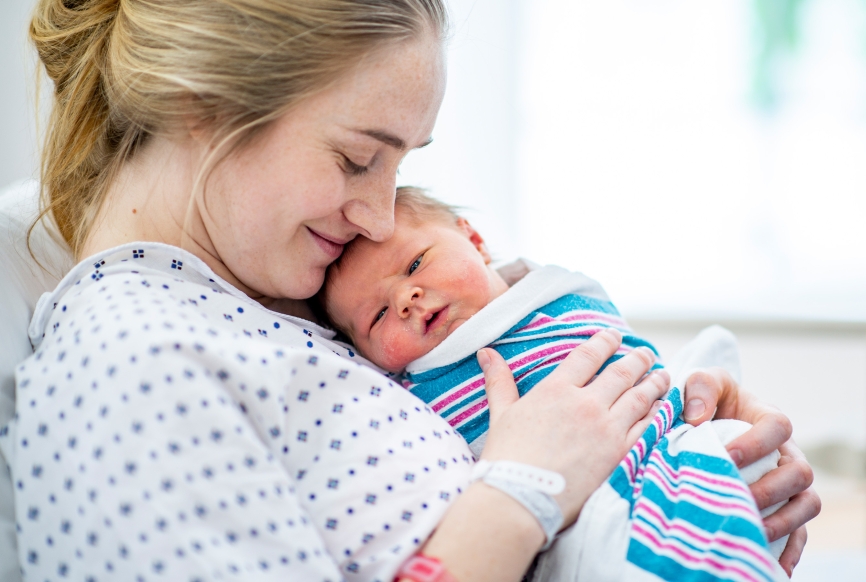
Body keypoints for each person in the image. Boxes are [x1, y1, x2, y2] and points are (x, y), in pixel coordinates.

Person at [2, 0, 819, 580]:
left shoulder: (275, 311)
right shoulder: (134, 365)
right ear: (204, 105)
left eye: (402, 166)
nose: (378, 213)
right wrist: (523, 488)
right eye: (359, 158)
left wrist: (689, 460)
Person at [317, 187, 789, 581]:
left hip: (668, 439)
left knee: (736, 450)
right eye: (377, 315)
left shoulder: (550, 295)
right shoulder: (403, 393)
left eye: (416, 263)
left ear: (475, 240)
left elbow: (632, 354)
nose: (405, 297)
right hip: (579, 505)